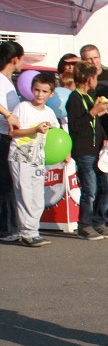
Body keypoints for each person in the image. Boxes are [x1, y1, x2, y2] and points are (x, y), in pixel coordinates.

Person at [7, 72, 59, 247]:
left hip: (38, 157)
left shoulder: (50, 112)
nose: (40, 94)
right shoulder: (23, 107)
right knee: (24, 193)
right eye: (37, 90)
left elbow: (56, 136)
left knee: (37, 195)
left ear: (51, 93)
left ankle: (32, 230)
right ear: (31, 89)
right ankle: (27, 231)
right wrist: (34, 130)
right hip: (20, 155)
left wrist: (64, 152)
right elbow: (13, 132)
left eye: (44, 91)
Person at [67, 60, 108, 241]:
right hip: (84, 150)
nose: (97, 81)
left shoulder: (90, 97)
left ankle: (99, 221)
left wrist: (105, 137)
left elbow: (95, 123)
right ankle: (85, 224)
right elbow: (75, 126)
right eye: (95, 77)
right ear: (89, 79)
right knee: (90, 189)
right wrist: (93, 112)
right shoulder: (75, 98)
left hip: (98, 150)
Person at [0, 41, 24, 242]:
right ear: (14, 59)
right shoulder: (0, 79)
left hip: (7, 136)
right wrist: (8, 115)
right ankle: (6, 228)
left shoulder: (8, 81)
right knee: (5, 183)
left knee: (8, 183)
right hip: (1, 136)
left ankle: (7, 226)